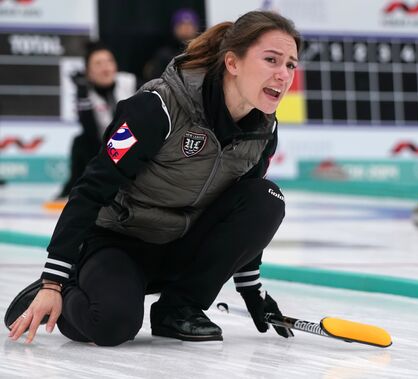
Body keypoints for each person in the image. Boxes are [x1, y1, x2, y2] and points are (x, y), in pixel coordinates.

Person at [5, 10, 301, 346]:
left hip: (180, 246)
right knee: (112, 325)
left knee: (266, 197)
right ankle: (73, 284)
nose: (283, 74)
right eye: (272, 60)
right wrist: (52, 283)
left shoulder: (263, 130)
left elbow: (244, 213)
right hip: (119, 242)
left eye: (291, 64)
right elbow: (91, 187)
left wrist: (252, 290)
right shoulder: (156, 106)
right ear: (232, 63)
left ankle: (179, 309)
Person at [57, 41, 136, 199]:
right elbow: (90, 132)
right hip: (104, 150)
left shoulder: (130, 82)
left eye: (109, 61)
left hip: (134, 147)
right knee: (80, 142)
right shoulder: (86, 93)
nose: (106, 68)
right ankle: (76, 189)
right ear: (89, 72)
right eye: (98, 64)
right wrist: (83, 95)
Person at [142, 8, 200, 82]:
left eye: (190, 25)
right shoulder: (164, 55)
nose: (186, 28)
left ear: (196, 28)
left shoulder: (201, 53)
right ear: (174, 28)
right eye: (181, 25)